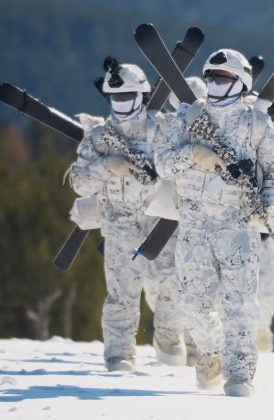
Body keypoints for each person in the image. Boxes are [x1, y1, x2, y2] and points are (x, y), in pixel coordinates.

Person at [153, 49, 274, 397]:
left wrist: (269, 205)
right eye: (210, 76)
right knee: (192, 302)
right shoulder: (188, 117)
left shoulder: (258, 123)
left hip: (238, 226)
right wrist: (193, 154)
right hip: (194, 225)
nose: (214, 82)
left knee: (240, 303)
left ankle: (239, 374)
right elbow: (163, 163)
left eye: (222, 77)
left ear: (241, 81)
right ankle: (212, 352)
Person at [67, 58, 191, 372]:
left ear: (143, 95)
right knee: (121, 293)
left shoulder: (165, 128)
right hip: (119, 224)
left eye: (127, 96)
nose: (121, 103)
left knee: (172, 283)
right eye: (115, 98)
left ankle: (167, 336)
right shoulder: (98, 138)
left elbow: (186, 162)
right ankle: (119, 353)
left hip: (162, 223)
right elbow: (79, 183)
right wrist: (106, 166)